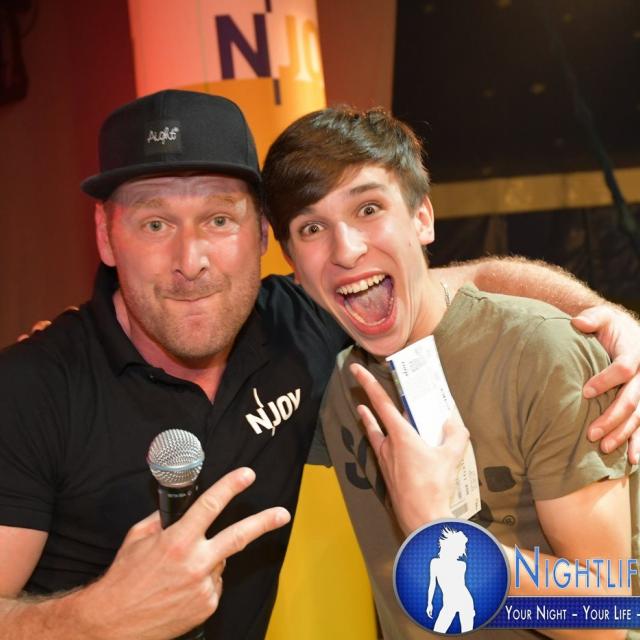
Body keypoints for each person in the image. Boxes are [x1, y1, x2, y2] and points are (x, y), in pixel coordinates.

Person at [0, 90, 639, 640]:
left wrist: (612, 320)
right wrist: (98, 618)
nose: (190, 259)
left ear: (259, 238)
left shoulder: (314, 332)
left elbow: (610, 616)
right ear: (106, 235)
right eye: (155, 224)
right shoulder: (33, 390)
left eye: (219, 219)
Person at [261, 105, 640, 639]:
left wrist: (438, 529)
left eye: (369, 208)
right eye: (312, 227)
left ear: (422, 218)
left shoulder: (542, 351)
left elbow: (604, 618)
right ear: (292, 265)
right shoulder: (341, 386)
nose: (346, 249)